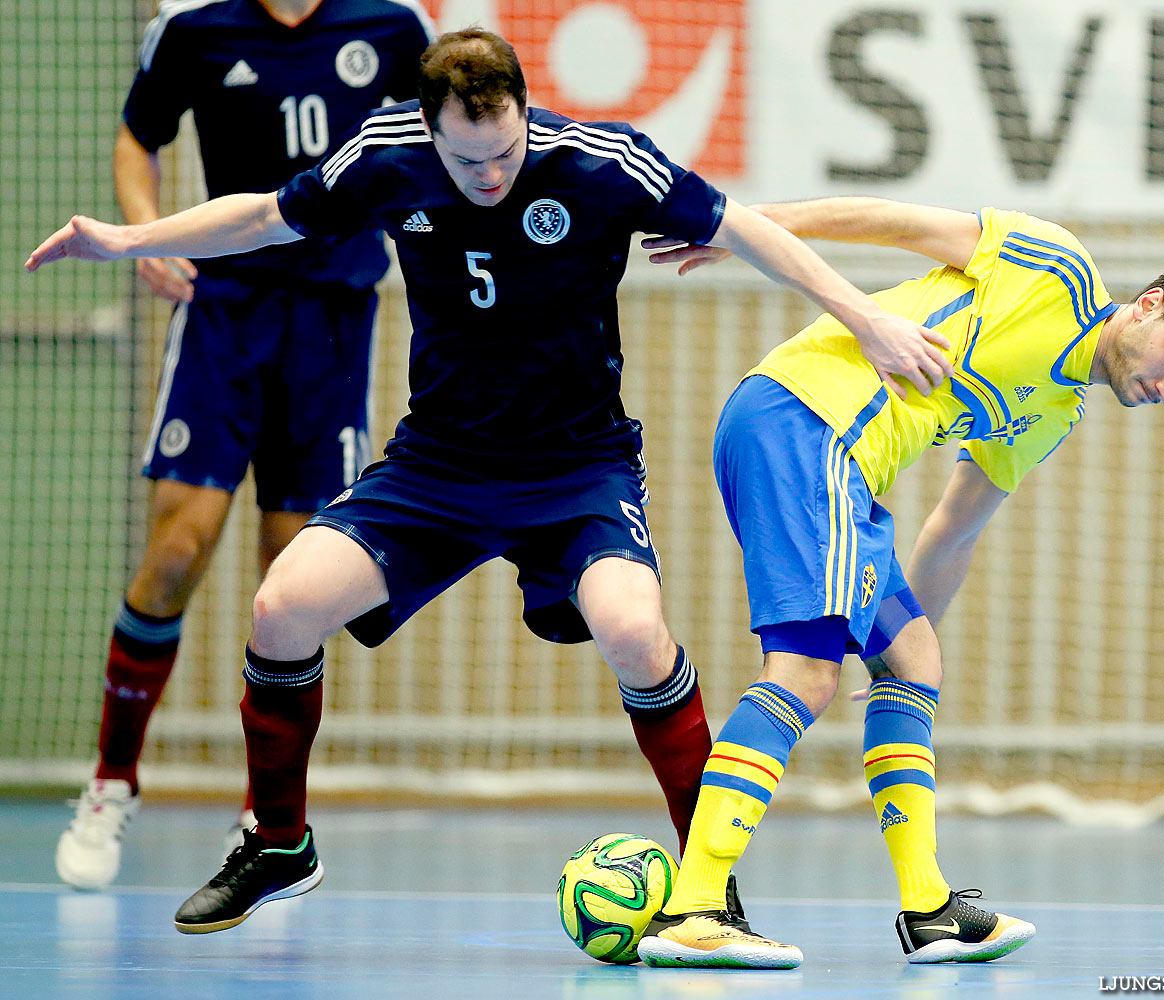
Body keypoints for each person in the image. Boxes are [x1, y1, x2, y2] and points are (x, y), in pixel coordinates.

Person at [27, 32, 959, 933]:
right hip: (436, 466)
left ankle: (707, 890)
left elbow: (747, 227)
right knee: (281, 609)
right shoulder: (384, 155)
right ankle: (278, 846)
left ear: (522, 113)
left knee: (635, 632)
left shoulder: (600, 161)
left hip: (577, 469)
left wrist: (866, 318)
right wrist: (124, 239)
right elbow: (266, 214)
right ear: (428, 128)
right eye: (467, 161)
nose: (490, 176)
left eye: (505, 151)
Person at [634, 197, 1164, 968]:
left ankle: (929, 911)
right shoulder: (1052, 268)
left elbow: (953, 527)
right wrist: (746, 230)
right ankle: (696, 907)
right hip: (808, 423)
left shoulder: (1052, 412)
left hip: (838, 465)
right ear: (1147, 307)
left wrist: (891, 664)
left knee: (915, 661)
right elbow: (888, 222)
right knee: (803, 674)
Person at [53, 0, 435, 891]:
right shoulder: (193, 28)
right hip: (223, 314)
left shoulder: (392, 28)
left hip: (334, 323)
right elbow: (135, 137)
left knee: (292, 578)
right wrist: (145, 236)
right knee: (177, 550)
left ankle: (268, 818)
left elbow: (438, 151)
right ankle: (111, 782)